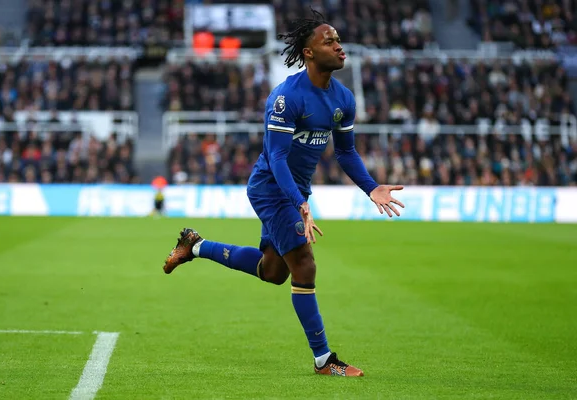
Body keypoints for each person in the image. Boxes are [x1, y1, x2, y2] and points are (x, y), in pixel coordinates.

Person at [163, 8, 405, 377]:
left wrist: (371, 188)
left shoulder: (343, 99)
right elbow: (276, 158)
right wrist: (301, 204)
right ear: (308, 53)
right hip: (271, 188)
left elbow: (345, 151)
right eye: (329, 41)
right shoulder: (286, 98)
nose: (339, 47)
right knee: (304, 264)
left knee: (273, 272)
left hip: (295, 191)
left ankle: (194, 245)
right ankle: (324, 360)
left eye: (339, 40)